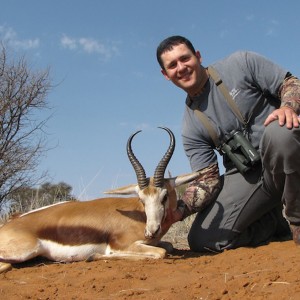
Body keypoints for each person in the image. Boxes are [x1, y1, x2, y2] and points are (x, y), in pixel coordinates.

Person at [156, 35, 300, 252]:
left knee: (280, 132)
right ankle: (273, 224)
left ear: (198, 56)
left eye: (185, 58)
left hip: (286, 151)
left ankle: (297, 220)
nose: (181, 68)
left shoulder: (240, 62)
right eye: (172, 65)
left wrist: (288, 107)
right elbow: (208, 179)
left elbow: (290, 83)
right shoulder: (190, 126)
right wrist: (178, 211)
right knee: (202, 240)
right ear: (165, 75)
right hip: (253, 174)